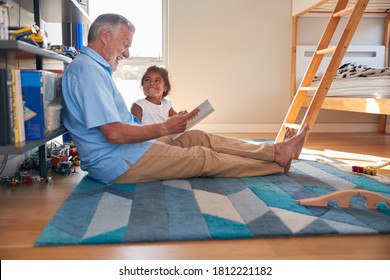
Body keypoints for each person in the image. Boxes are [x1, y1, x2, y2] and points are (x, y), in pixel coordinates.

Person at [61, 13, 309, 185]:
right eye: (125, 44)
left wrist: (168, 126)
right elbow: (113, 134)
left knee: (197, 137)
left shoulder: (94, 69)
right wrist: (164, 127)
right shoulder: (88, 72)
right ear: (105, 36)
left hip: (131, 149)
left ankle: (274, 151)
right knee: (202, 158)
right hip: (117, 162)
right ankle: (276, 164)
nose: (127, 52)